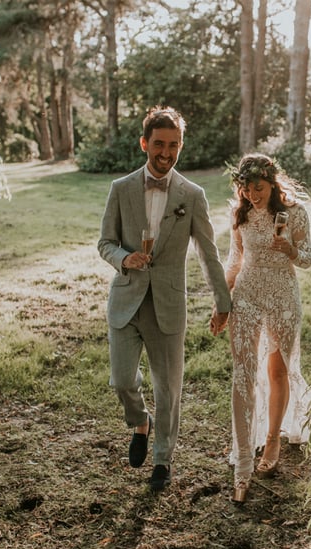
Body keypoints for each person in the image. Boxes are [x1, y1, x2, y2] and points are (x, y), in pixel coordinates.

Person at [98, 106, 231, 492]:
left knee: (168, 389)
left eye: (173, 145)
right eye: (159, 144)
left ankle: (162, 460)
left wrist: (223, 301)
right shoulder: (121, 189)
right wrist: (124, 259)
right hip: (126, 301)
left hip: (168, 305)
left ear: (180, 146)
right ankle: (141, 421)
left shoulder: (193, 195)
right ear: (144, 143)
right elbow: (105, 242)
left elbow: (208, 253)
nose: (166, 152)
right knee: (122, 380)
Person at [216, 153, 311, 503]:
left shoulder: (295, 212)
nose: (252, 195)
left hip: (283, 296)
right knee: (243, 374)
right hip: (247, 295)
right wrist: (221, 302)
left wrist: (290, 249)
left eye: (258, 188)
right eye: (246, 188)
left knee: (277, 371)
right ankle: (243, 454)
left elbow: (308, 259)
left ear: (272, 183)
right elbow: (234, 261)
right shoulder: (239, 213)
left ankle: (273, 439)